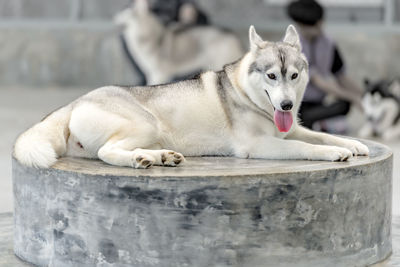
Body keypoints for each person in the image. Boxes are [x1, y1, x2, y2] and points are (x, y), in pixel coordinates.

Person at [287, 0, 364, 131]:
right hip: (297, 104)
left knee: (344, 104)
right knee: (298, 115)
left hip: (318, 104)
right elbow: (318, 81)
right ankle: (309, 124)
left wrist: (364, 96)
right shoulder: (291, 46)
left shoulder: (328, 43)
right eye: (313, 24)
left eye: (320, 22)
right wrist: (353, 97)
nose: (319, 26)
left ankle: (317, 123)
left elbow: (341, 76)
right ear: (301, 25)